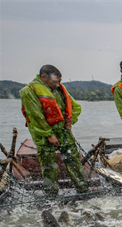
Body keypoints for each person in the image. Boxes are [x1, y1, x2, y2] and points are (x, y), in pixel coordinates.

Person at [19, 65, 88, 196]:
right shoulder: (28, 91)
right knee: (49, 165)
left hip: (63, 131)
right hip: (44, 134)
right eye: (54, 81)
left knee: (73, 160)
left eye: (59, 81)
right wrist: (49, 134)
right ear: (43, 77)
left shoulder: (59, 89)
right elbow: (36, 116)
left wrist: (69, 122)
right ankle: (51, 195)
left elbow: (75, 106)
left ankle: (83, 190)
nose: (57, 84)